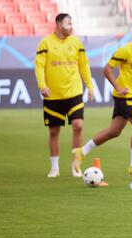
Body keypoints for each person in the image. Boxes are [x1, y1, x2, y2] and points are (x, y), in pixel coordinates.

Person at [74, 25, 132, 180]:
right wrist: (118, 88)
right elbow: (107, 69)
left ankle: (81, 152)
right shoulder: (125, 50)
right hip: (124, 95)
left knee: (114, 132)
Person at [34, 13, 94, 178]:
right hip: (53, 95)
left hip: (74, 92)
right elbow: (39, 66)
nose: (72, 26)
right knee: (54, 131)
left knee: (78, 125)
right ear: (59, 24)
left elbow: (84, 65)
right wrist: (42, 86)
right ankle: (54, 167)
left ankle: (76, 165)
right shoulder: (45, 43)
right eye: (69, 23)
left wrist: (89, 85)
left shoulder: (76, 42)